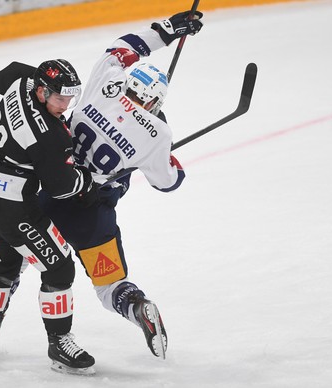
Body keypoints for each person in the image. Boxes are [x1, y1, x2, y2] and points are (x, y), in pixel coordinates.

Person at [37, 11, 204, 359]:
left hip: (50, 192)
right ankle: (138, 306)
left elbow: (124, 48)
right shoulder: (158, 134)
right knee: (109, 286)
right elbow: (167, 182)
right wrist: (166, 153)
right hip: (92, 214)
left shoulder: (106, 80)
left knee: (21, 258)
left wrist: (167, 31)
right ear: (156, 102)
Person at [0, 58, 98, 374]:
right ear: (41, 91)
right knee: (59, 267)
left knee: (2, 264)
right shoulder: (50, 136)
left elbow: (4, 74)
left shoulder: (20, 81)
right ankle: (59, 342)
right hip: (12, 208)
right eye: (59, 97)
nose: (65, 104)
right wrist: (87, 178)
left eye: (70, 96)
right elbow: (61, 188)